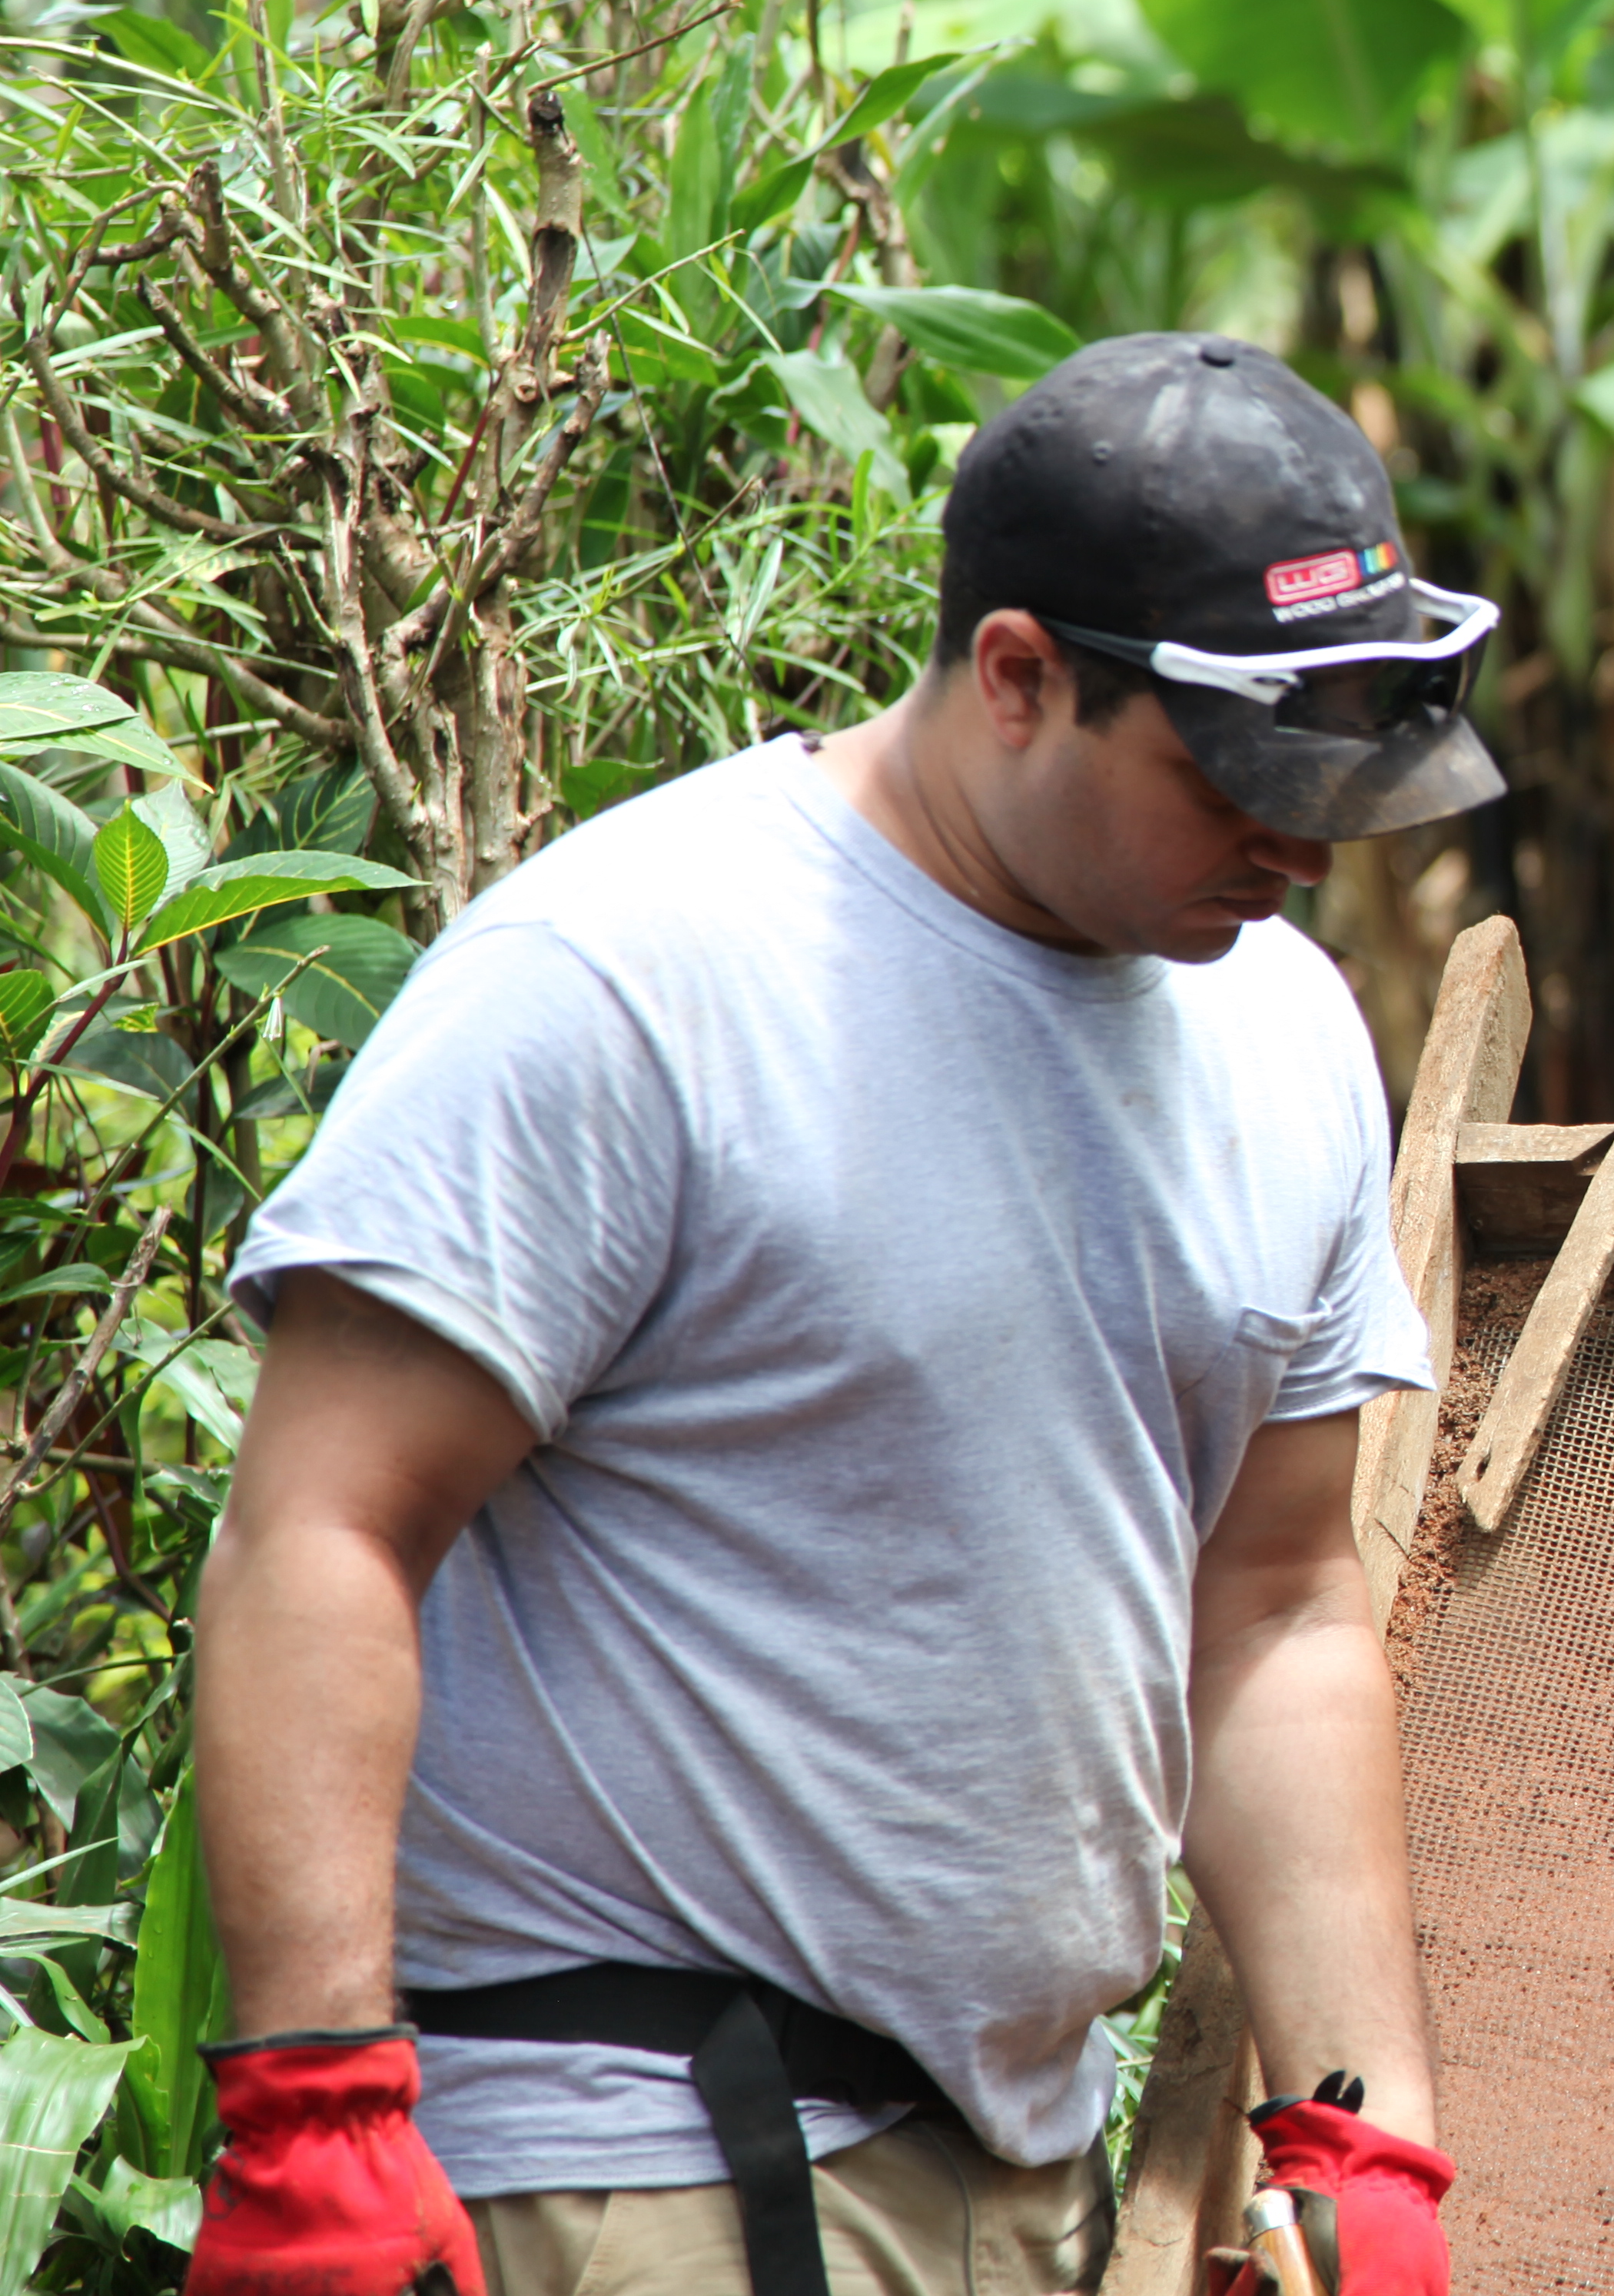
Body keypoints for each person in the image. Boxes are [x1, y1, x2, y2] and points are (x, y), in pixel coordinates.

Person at [189, 335, 1501, 2296]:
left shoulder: (1284, 1024)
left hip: (1018, 2157)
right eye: (1235, 773)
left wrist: (1360, 2120)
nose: (1303, 845)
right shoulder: (637, 974)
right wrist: (315, 2104)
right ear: (1018, 674)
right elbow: (324, 1517)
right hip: (633, 2135)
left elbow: (1280, 1599)